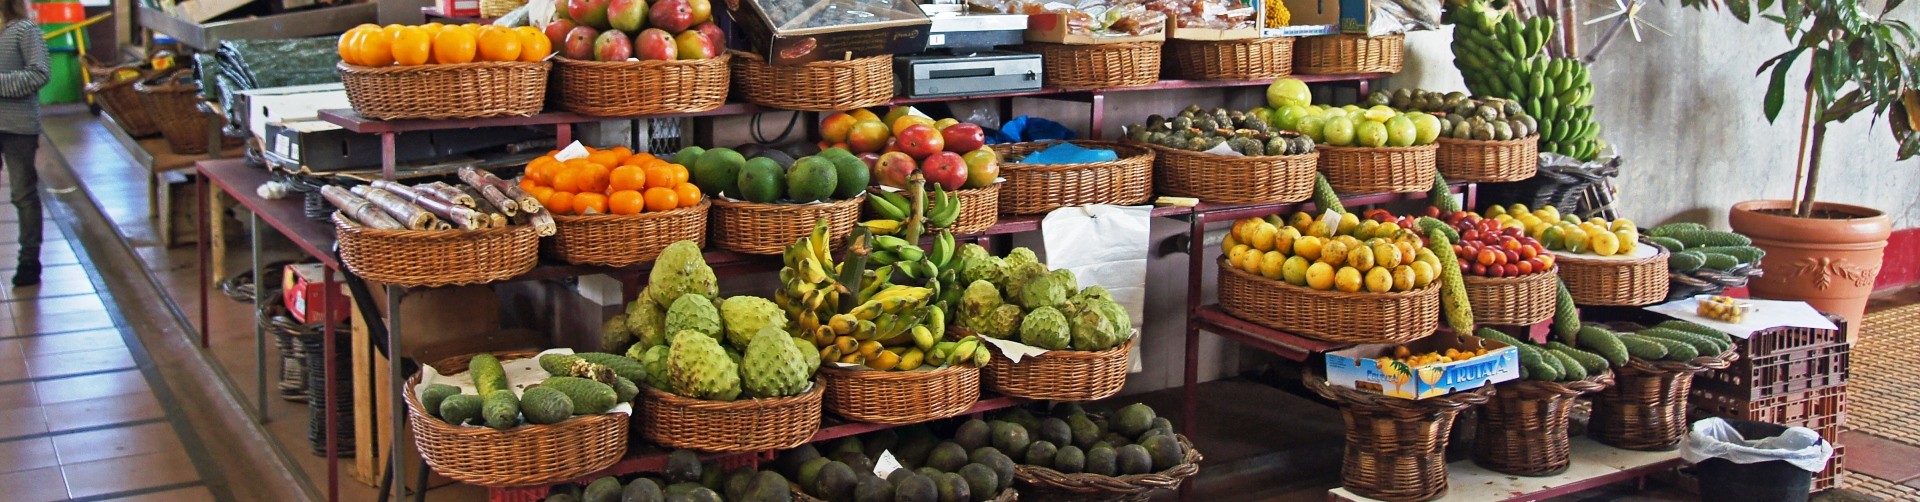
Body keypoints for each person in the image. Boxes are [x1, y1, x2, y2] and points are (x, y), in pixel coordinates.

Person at [0, 0, 47, 287]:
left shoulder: (24, 30)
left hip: (18, 126)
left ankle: (29, 259)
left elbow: (40, 73)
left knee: (23, 193)